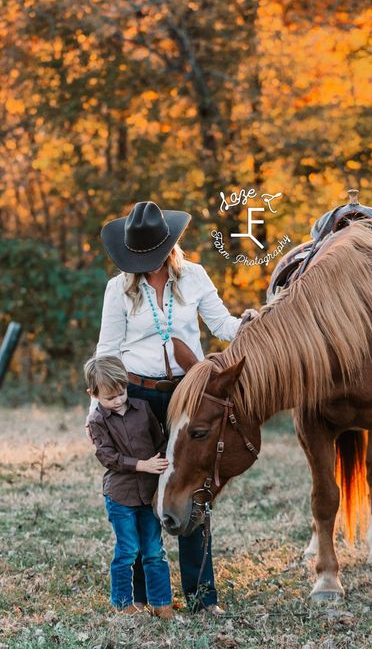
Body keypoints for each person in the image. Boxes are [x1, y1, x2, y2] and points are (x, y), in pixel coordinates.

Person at [85, 200, 257, 616]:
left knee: (192, 482)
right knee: (145, 493)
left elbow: (222, 326)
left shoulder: (194, 276)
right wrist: (97, 407)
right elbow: (108, 351)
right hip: (137, 397)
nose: (142, 264)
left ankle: (202, 598)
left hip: (186, 394)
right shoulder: (118, 289)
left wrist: (248, 322)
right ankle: (146, 597)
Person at [84, 355, 172, 617]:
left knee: (154, 550)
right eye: (110, 398)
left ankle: (161, 603)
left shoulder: (143, 408)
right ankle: (123, 604)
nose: (118, 400)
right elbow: (107, 457)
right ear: (94, 394)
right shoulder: (98, 420)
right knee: (128, 550)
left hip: (148, 493)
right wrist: (141, 465)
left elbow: (161, 441)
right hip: (120, 496)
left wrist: (160, 459)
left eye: (121, 393)